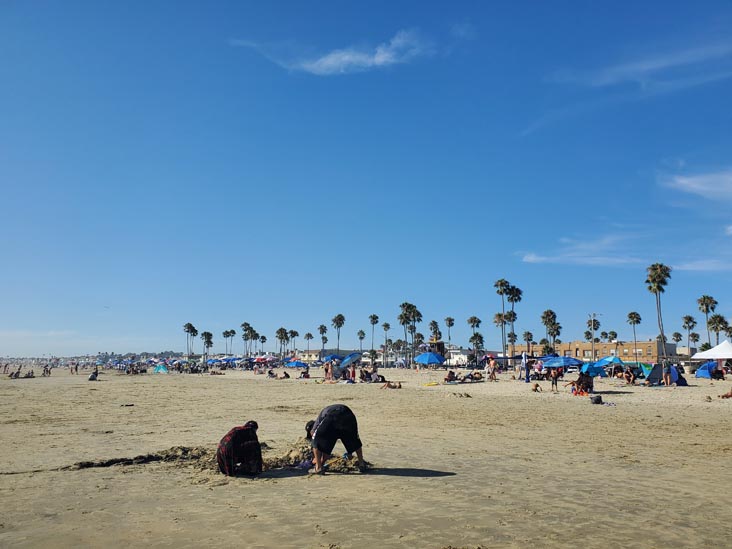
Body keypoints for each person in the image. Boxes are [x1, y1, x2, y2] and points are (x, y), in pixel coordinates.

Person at [306, 404, 365, 474]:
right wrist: (350, 452)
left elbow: (318, 442)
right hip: (348, 413)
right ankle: (361, 464)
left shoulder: (317, 425)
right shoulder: (325, 423)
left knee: (315, 442)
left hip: (333, 415)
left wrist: (318, 460)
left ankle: (318, 468)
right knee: (354, 438)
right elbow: (327, 448)